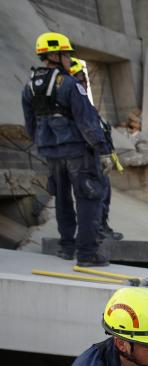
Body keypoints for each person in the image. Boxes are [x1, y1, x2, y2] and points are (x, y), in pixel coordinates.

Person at [23, 32, 110, 267]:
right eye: (66, 54)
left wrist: (46, 145)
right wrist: (102, 149)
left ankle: (66, 248)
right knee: (88, 199)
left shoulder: (29, 87)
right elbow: (86, 119)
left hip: (51, 156)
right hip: (78, 154)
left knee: (62, 200)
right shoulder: (69, 84)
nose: (68, 59)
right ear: (54, 54)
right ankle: (88, 253)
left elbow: (30, 126)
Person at [68, 58, 123, 242]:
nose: (84, 81)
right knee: (96, 195)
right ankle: (96, 230)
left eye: (84, 78)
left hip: (98, 156)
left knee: (105, 193)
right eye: (80, 78)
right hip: (88, 157)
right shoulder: (75, 104)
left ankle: (102, 227)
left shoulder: (86, 105)